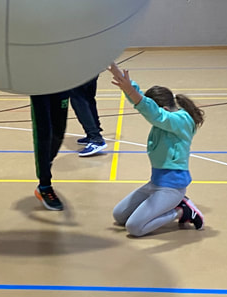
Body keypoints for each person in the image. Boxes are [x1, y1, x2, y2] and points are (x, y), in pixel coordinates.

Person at [108, 62, 205, 237]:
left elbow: (151, 111)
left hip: (172, 187)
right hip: (155, 183)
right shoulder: (167, 119)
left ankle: (182, 211)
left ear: (165, 109)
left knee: (134, 227)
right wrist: (118, 74)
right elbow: (140, 99)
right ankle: (171, 205)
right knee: (119, 215)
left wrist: (132, 92)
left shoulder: (180, 120)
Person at [30, 91, 69, 211]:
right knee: (43, 133)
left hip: (62, 86)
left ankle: (46, 162)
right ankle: (44, 186)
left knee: (59, 133)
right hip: (39, 89)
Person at [70, 76, 107, 157]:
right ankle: (93, 134)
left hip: (78, 72)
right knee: (88, 97)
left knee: (77, 98)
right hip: (90, 71)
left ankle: (96, 138)